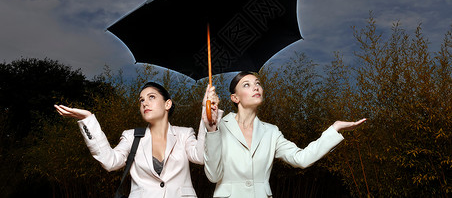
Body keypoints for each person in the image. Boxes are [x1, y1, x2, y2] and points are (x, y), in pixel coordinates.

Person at [202, 71, 366, 198]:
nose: (256, 87)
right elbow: (214, 176)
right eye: (246, 85)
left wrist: (334, 129)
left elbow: (301, 159)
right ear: (235, 98)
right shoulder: (218, 126)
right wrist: (211, 130)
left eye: (258, 83)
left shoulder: (271, 132)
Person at [55, 81, 221, 198]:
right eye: (141, 100)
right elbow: (110, 162)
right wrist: (88, 119)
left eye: (151, 97)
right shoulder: (131, 136)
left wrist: (209, 122)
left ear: (167, 104)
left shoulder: (185, 134)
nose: (144, 103)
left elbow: (200, 157)